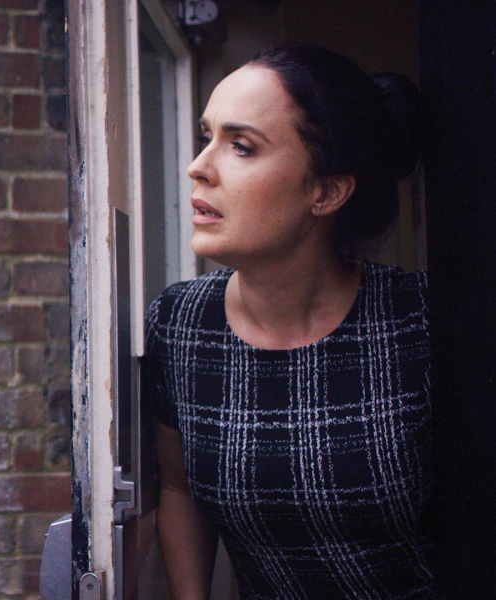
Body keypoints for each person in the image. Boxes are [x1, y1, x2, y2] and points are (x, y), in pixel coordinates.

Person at [145, 46, 431, 598]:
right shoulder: (182, 326)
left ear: (326, 191)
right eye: (207, 136)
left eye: (241, 146)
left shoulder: (420, 320)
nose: (198, 166)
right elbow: (177, 489)